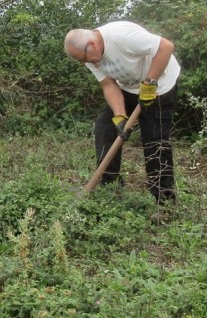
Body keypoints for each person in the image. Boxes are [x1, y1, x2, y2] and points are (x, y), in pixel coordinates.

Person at [64, 21, 180, 203]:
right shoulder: (88, 55)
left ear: (92, 44)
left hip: (160, 84)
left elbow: (166, 46)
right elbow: (108, 85)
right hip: (129, 86)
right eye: (81, 61)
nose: (85, 63)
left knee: (154, 140)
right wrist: (119, 116)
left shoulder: (121, 36)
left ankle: (163, 199)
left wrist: (149, 83)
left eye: (84, 59)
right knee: (105, 126)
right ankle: (110, 186)